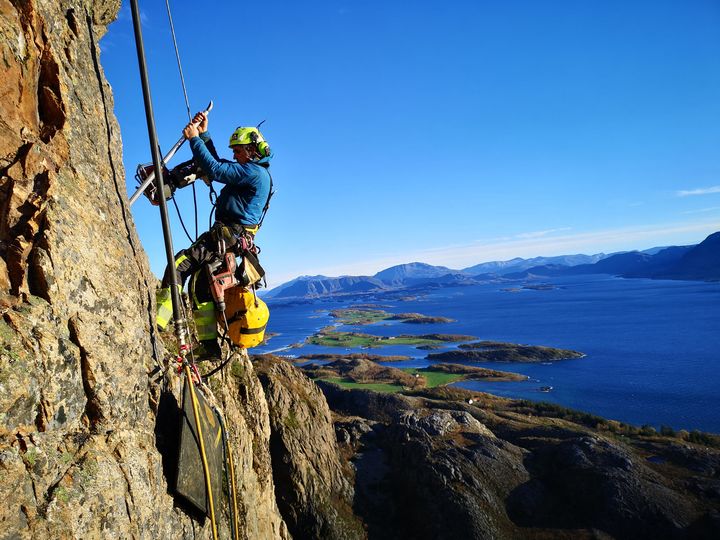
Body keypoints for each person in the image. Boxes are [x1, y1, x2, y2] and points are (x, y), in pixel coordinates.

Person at [156, 112, 272, 357]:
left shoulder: (253, 172)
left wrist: (194, 139)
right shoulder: (254, 172)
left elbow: (216, 169)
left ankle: (156, 323)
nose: (235, 154)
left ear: (252, 149)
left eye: (238, 150)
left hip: (227, 235)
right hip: (232, 238)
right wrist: (205, 135)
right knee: (199, 285)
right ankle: (209, 346)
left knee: (180, 264)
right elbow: (220, 164)